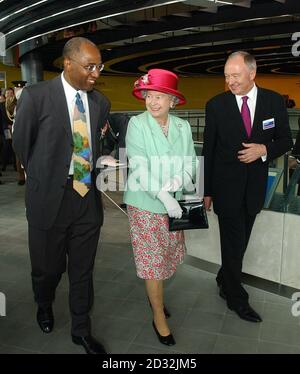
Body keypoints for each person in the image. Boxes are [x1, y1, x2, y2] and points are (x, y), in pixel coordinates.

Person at [13, 37, 110, 354]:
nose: (95, 73)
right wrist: (42, 176)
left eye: (99, 66)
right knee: (47, 269)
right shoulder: (36, 96)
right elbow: (22, 146)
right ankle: (44, 303)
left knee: (83, 271)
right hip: (48, 201)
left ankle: (81, 329)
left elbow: (96, 145)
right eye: (89, 66)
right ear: (67, 63)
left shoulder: (100, 103)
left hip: (85, 200)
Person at [203, 51, 293, 323]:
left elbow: (286, 140)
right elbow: (209, 150)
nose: (230, 81)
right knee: (232, 243)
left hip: (254, 189)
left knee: (240, 242)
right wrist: (207, 190)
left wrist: (264, 149)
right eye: (227, 76)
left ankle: (223, 278)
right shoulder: (216, 105)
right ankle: (235, 297)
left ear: (252, 73)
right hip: (225, 187)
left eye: (235, 75)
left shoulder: (273, 102)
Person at [124, 69, 197, 346]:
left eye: (160, 97)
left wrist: (181, 179)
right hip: (146, 204)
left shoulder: (183, 127)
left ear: (172, 101)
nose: (153, 102)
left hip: (175, 205)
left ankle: (155, 297)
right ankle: (157, 315)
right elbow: (139, 167)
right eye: (149, 96)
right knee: (153, 263)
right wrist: (164, 196)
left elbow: (191, 161)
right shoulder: (137, 125)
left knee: (166, 256)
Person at [11, 80, 27, 185]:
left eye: (20, 88)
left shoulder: (28, 99)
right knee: (18, 154)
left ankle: (26, 175)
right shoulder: (12, 102)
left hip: (26, 129)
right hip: (16, 130)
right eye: (17, 88)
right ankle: (21, 176)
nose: (19, 90)